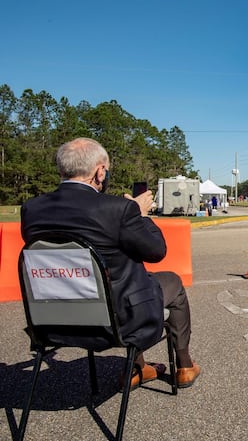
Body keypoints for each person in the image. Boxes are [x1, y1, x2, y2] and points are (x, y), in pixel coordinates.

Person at [21, 138, 201, 389]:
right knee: (172, 282)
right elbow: (156, 251)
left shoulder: (31, 209)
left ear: (62, 170)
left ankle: (139, 368)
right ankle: (184, 366)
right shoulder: (118, 210)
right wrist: (141, 215)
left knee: (121, 279)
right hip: (116, 323)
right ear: (100, 171)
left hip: (52, 322)